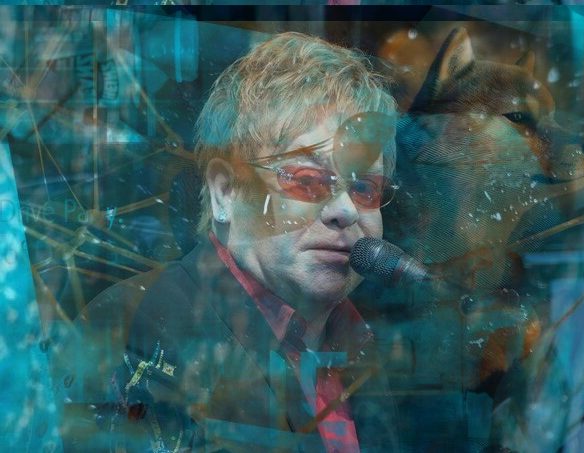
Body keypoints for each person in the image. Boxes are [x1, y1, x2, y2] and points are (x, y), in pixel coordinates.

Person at [57, 32, 400, 452]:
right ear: (225, 191)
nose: (345, 210)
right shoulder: (135, 325)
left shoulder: (367, 346)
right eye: (307, 180)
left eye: (364, 187)